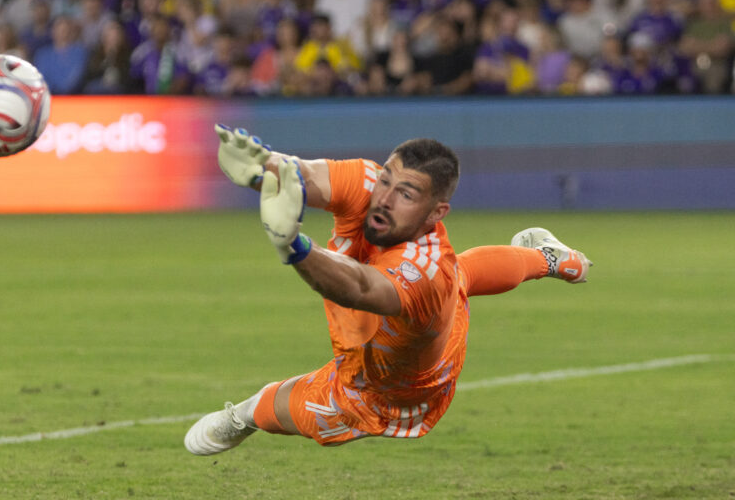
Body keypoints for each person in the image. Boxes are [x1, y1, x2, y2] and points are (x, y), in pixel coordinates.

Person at [185, 126, 592, 455]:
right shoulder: (369, 184)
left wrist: (294, 246)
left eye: (406, 194)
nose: (384, 198)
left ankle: (243, 417)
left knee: (279, 406)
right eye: (385, 180)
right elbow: (305, 175)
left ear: (436, 213)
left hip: (391, 392)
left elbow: (361, 287)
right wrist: (263, 168)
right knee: (461, 276)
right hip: (403, 320)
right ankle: (551, 258)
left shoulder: (426, 273)